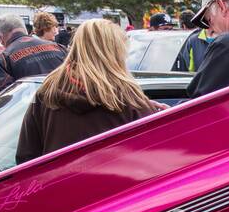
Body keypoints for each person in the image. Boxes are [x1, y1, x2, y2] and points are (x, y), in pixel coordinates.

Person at [15, 18, 161, 164]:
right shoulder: (127, 97)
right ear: (116, 52)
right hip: (115, 178)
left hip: (60, 178)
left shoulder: (47, 91)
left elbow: (26, 157)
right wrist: (160, 116)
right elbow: (154, 156)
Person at [0, 11, 65, 92]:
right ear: (25, 30)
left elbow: (6, 95)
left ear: (1, 37)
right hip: (65, 98)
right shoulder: (58, 47)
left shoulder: (3, 60)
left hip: (33, 100)